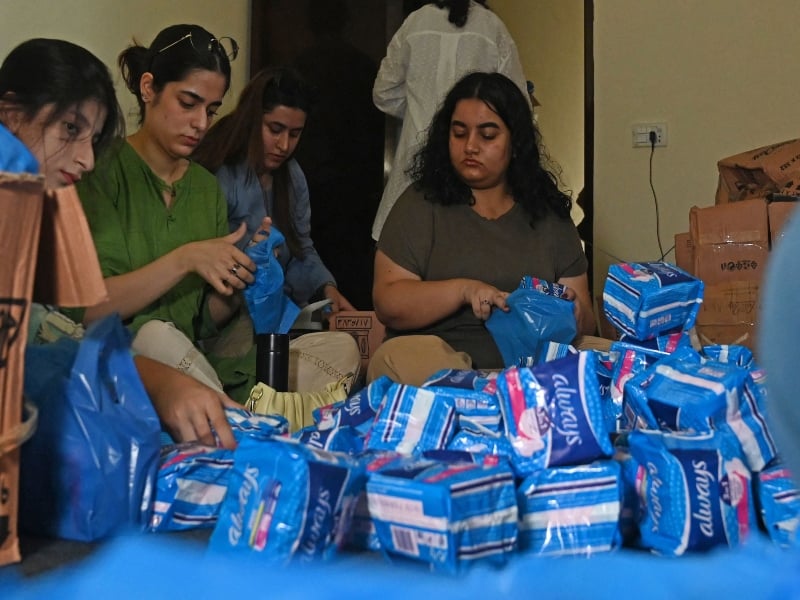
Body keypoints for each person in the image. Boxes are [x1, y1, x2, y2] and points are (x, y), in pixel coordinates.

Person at [0, 37, 238, 448]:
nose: (86, 160)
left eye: (92, 140)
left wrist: (239, 279)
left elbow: (36, 332)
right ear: (11, 114)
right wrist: (152, 377)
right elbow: (66, 321)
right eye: (70, 129)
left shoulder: (206, 188)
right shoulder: (99, 179)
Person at [72, 23, 263, 407]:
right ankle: (241, 420)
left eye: (211, 110)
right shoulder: (97, 170)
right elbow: (89, 310)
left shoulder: (207, 189)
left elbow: (199, 320)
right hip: (116, 371)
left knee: (336, 347)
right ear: (148, 88)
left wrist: (240, 275)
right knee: (153, 334)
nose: (201, 124)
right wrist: (186, 259)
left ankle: (239, 417)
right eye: (188, 103)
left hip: (189, 360)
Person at [369, 71, 594, 386]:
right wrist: (464, 290)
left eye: (487, 136)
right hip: (441, 361)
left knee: (611, 356)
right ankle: (478, 394)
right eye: (459, 133)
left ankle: (509, 395)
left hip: (534, 364)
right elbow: (388, 302)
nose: (470, 146)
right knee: (396, 358)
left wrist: (570, 312)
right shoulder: (420, 204)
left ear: (515, 143)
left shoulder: (549, 214)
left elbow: (584, 313)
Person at [192, 66, 362, 394]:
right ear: (252, 120)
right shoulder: (218, 174)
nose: (284, 145)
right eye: (275, 129)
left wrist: (326, 289)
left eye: (295, 134)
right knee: (261, 355)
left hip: (277, 318)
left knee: (343, 349)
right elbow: (200, 269)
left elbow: (300, 248)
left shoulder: (292, 176)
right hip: (226, 316)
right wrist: (247, 261)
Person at [370, 0, 529, 241]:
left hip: (413, 169)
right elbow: (517, 108)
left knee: (405, 249)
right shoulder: (492, 27)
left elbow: (383, 93)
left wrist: (420, 114)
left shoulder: (415, 22)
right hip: (474, 176)